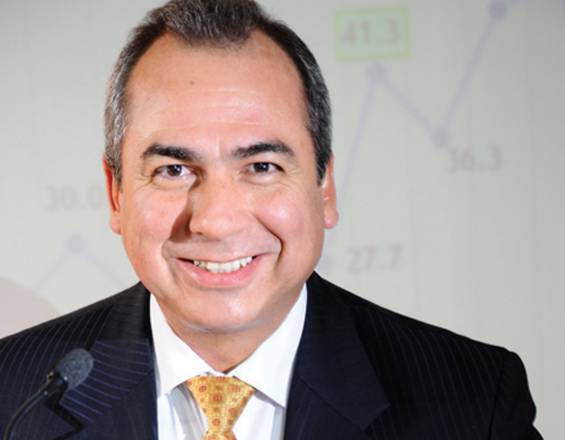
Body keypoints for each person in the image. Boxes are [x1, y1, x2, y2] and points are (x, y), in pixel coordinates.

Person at [0, 0, 542, 439]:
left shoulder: (473, 402)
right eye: (173, 170)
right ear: (116, 193)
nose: (215, 221)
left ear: (324, 187)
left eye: (261, 166)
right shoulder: (12, 395)